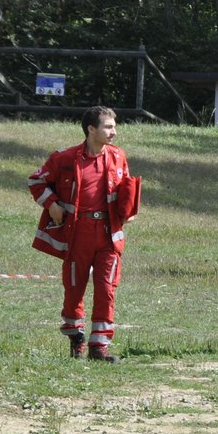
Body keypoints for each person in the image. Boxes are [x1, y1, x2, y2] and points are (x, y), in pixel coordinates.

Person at [29, 106, 141, 362]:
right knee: (73, 289)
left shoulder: (117, 156)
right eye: (108, 127)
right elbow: (36, 181)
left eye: (114, 126)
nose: (114, 132)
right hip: (77, 235)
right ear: (92, 129)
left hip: (108, 234)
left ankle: (99, 347)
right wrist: (52, 205)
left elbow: (125, 187)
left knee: (106, 288)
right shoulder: (65, 158)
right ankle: (76, 336)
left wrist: (129, 208)